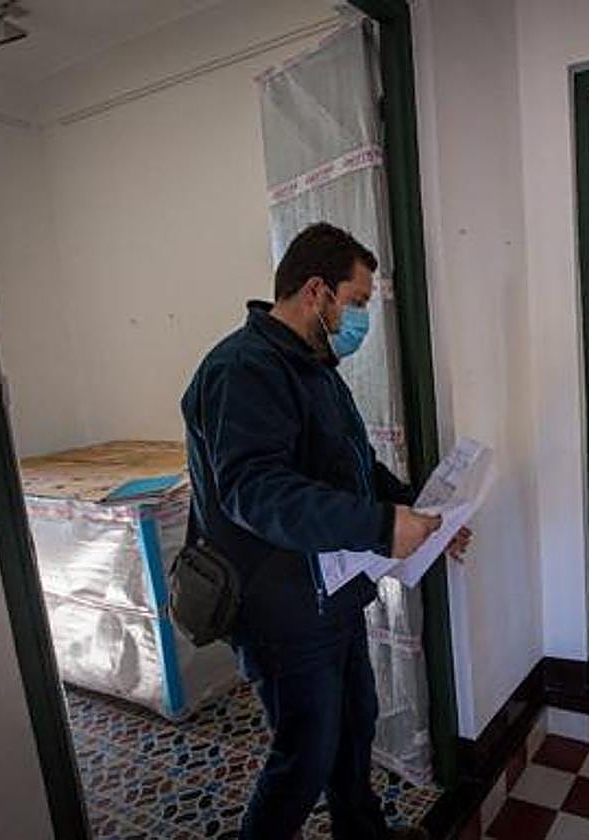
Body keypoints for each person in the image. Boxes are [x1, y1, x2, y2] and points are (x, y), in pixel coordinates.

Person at [182, 223, 466, 839]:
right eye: (357, 302)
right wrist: (380, 525)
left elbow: (354, 466)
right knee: (304, 756)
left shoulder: (315, 367)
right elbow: (254, 491)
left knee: (354, 727)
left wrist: (420, 515)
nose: (361, 319)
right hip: (279, 610)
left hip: (332, 593)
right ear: (317, 291)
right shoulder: (241, 369)